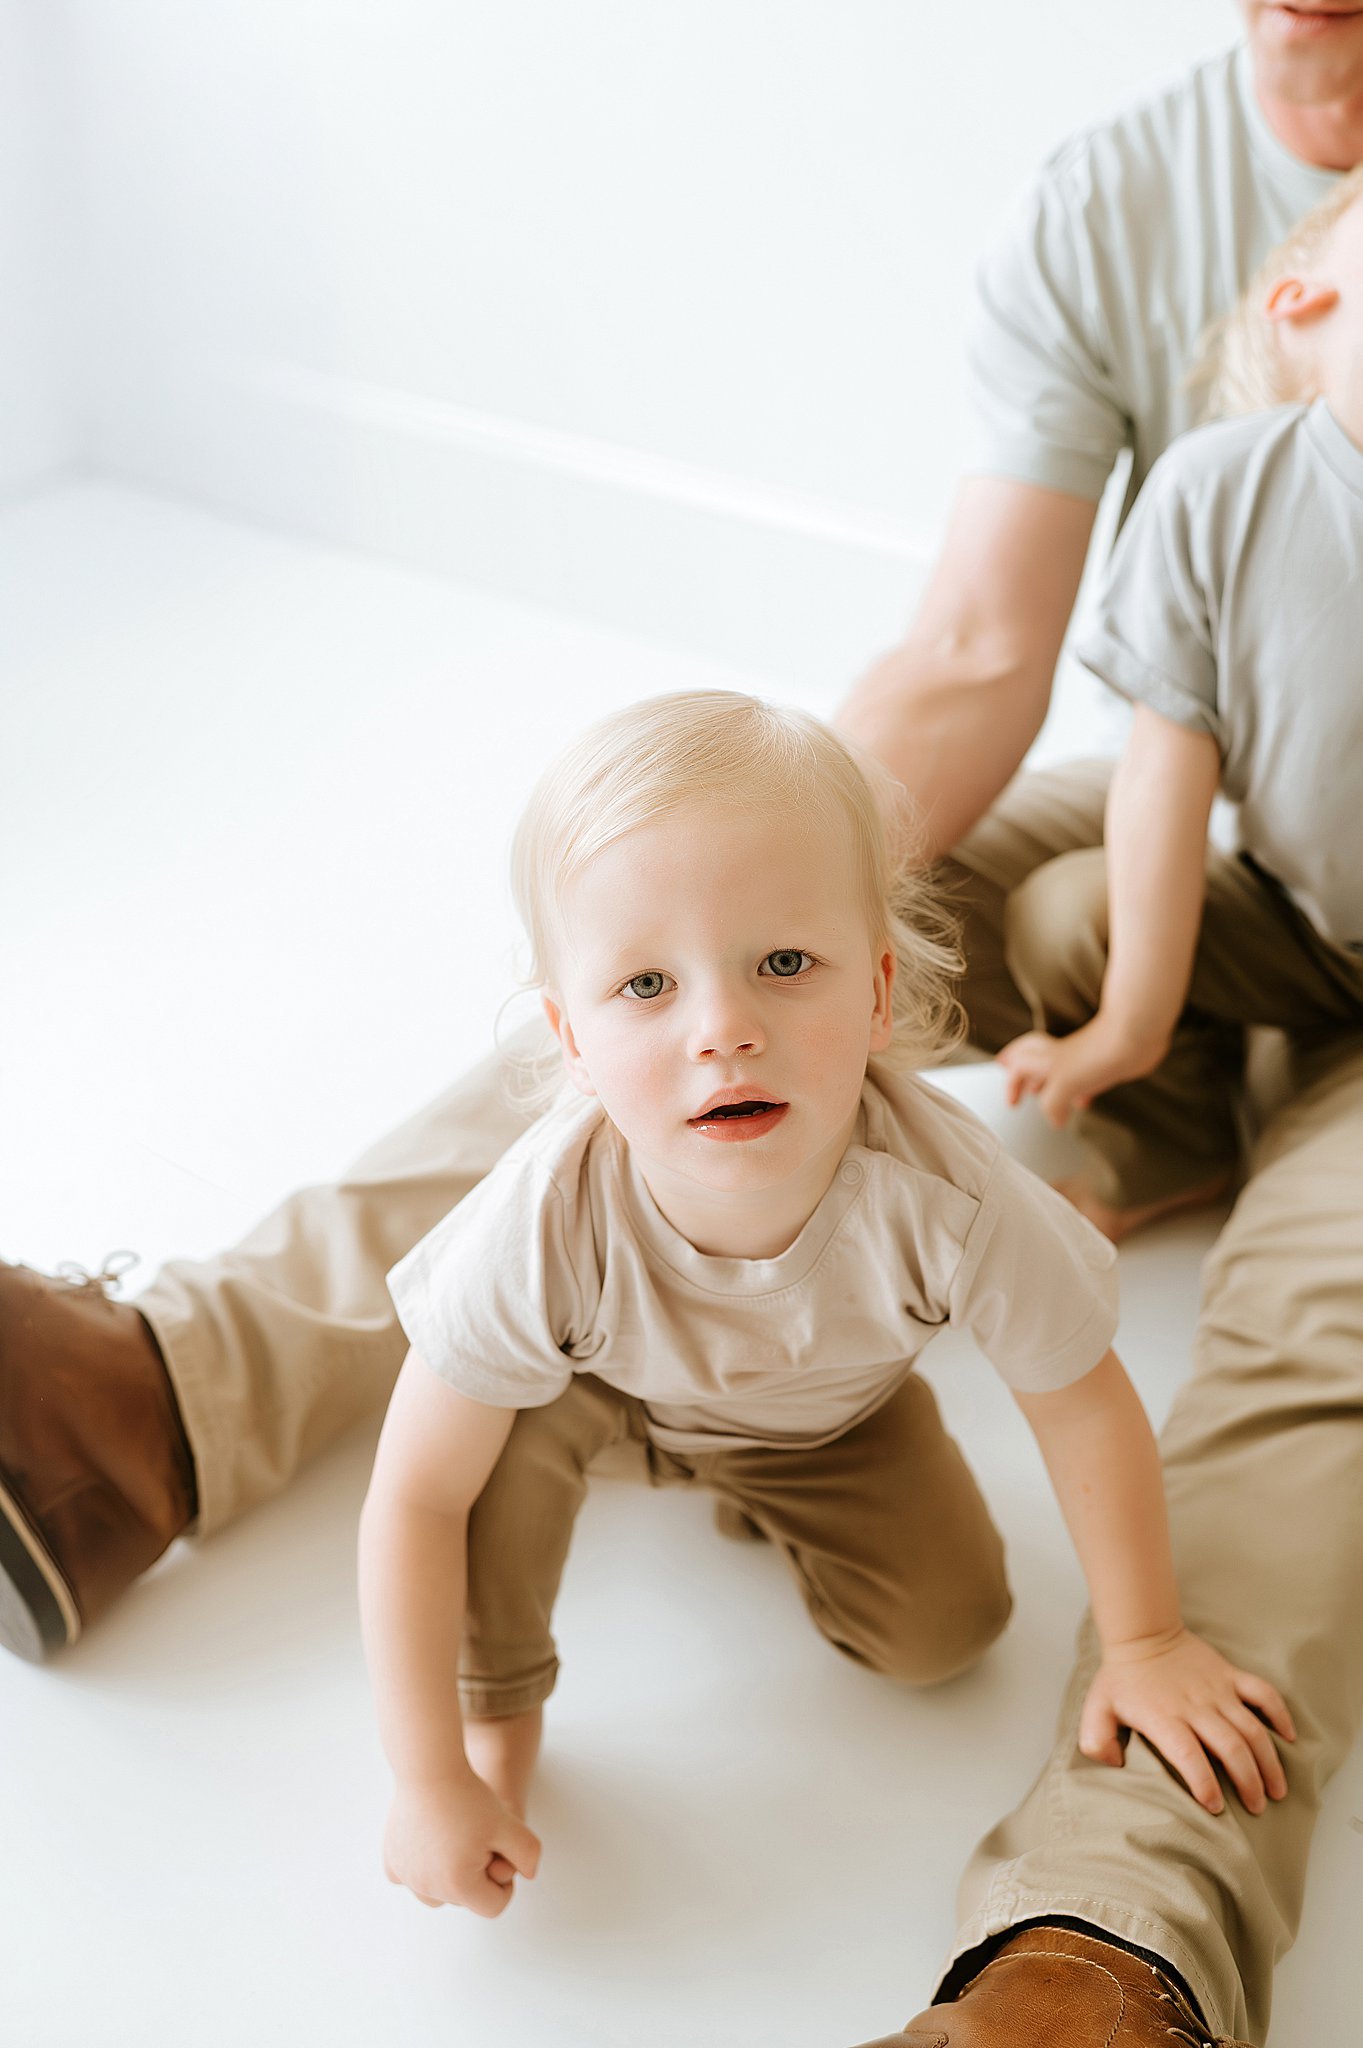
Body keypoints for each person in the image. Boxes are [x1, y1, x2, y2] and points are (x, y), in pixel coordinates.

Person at [2, 5, 1361, 2042]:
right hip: (1234, 852)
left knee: (1318, 1344)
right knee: (738, 942)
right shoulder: (1129, 195)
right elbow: (984, 649)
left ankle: (1109, 1935)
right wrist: (769, 903)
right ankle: (159, 1402)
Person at [355, 691, 1291, 1918]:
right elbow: (416, 1492)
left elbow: (1081, 1405)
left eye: (784, 962)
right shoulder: (544, 1217)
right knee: (489, 1477)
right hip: (582, 1397)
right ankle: (496, 1730)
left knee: (949, 1631)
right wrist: (428, 1773)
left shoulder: (945, 1197)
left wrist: (1147, 1641)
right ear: (570, 1037)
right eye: (644, 984)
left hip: (823, 1423)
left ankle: (752, 1502)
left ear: (876, 989)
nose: (724, 1029)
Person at [995, 162, 1363, 1229]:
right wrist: (1130, 1023)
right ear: (1303, 306)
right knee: (1071, 915)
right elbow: (1164, 773)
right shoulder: (1218, 492)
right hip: (1294, 922)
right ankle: (1170, 1139)